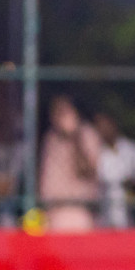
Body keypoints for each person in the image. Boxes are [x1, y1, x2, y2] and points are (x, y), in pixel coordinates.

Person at [39, 95, 101, 231]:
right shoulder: (51, 139)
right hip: (54, 209)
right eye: (55, 112)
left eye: (63, 111)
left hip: (80, 209)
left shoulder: (87, 134)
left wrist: (75, 135)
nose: (58, 116)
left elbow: (88, 170)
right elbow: (46, 178)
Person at [93, 112, 135, 228]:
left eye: (106, 125)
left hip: (131, 215)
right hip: (104, 217)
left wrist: (131, 183)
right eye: (99, 126)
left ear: (114, 125)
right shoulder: (95, 152)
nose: (103, 130)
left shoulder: (133, 150)